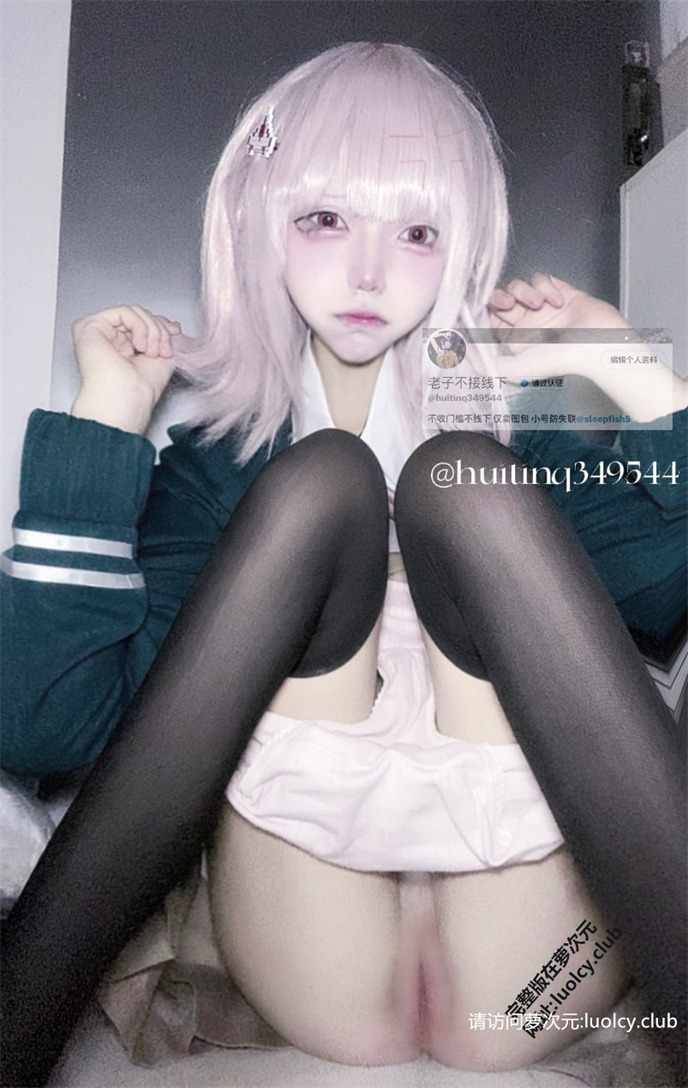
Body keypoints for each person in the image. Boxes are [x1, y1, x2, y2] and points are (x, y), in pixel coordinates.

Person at [1, 42, 686, 1086]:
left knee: (460, 478)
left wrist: (622, 364)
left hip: (528, 978)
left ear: (460, 248)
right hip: (322, 950)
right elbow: (46, 729)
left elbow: (669, 585)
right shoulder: (218, 471)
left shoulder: (521, 434)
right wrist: (107, 420)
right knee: (326, 485)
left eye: (417, 232)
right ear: (260, 221)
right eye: (326, 218)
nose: (368, 273)